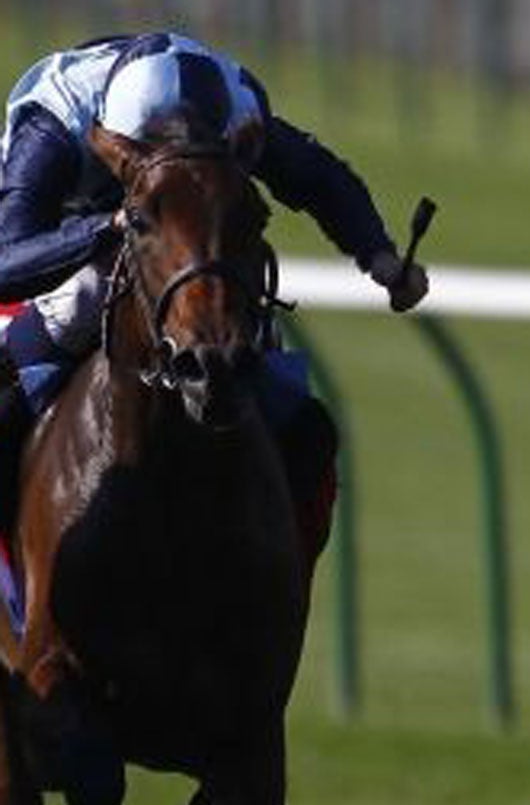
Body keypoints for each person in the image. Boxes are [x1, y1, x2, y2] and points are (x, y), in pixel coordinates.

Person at [0, 31, 428, 543]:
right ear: (115, 143)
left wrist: (379, 255)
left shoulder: (237, 109)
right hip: (63, 230)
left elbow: (319, 176)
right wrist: (108, 227)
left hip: (187, 241)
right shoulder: (54, 121)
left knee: (304, 428)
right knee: (81, 301)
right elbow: (8, 258)